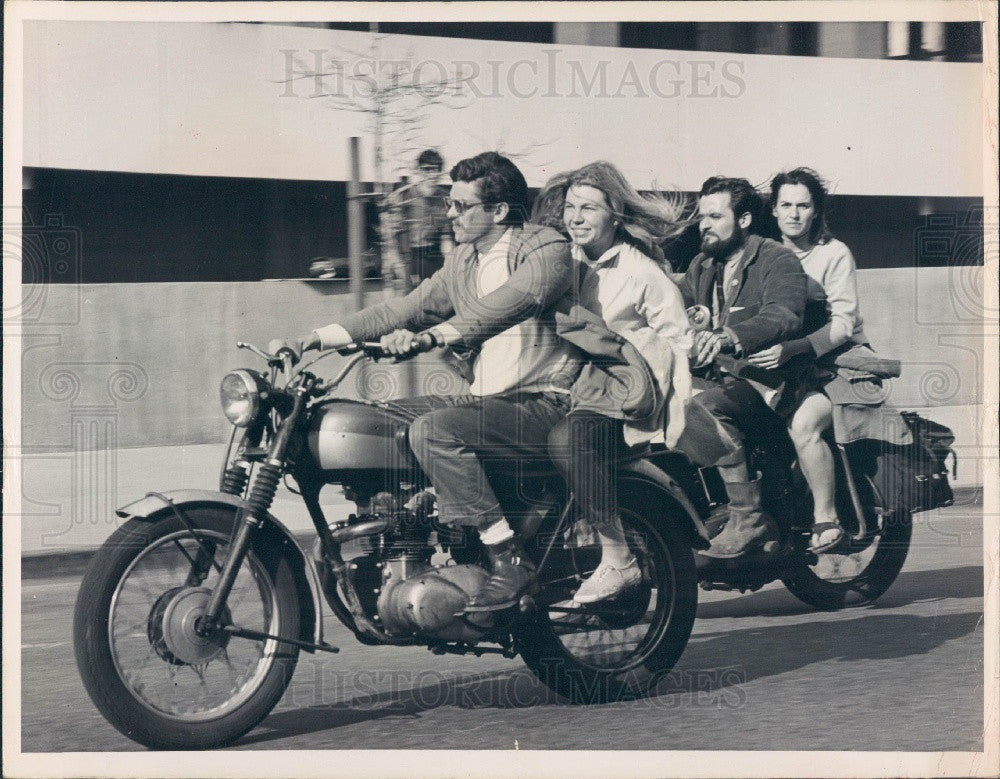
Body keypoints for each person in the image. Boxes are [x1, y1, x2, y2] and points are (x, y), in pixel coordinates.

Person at [287, 151, 582, 613]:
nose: (449, 214)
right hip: (488, 402)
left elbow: (507, 304)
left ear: (499, 211)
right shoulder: (465, 261)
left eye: (461, 207)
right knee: (380, 419)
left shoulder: (545, 249)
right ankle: (403, 528)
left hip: (545, 404)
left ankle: (508, 558)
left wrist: (432, 337)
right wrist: (319, 337)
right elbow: (404, 308)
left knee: (434, 431)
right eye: (451, 203)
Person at [531, 161, 694, 603]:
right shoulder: (562, 262)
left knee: (568, 442)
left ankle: (617, 556)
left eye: (588, 208)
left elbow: (679, 340)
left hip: (622, 397)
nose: (575, 218)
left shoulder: (641, 273)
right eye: (569, 207)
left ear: (615, 215)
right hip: (567, 386)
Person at [745, 167, 905, 552]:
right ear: (774, 208)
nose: (794, 214)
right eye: (786, 205)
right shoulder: (761, 252)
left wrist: (796, 348)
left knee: (803, 424)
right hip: (782, 360)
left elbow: (844, 323)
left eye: (803, 205)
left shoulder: (834, 253)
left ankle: (826, 519)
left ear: (816, 210)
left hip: (835, 361)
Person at [674, 177, 807, 559]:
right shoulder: (702, 265)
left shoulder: (776, 258)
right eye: (702, 217)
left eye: (716, 216)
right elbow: (677, 310)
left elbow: (785, 314)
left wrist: (733, 335)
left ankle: (747, 517)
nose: (705, 225)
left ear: (744, 219)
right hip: (716, 373)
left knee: (706, 408)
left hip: (765, 375)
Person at [379, 149, 454, 286]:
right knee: (412, 301)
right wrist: (397, 262)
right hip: (410, 256)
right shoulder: (405, 196)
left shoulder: (444, 198)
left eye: (435, 170)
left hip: (435, 255)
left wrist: (450, 261)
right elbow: (392, 233)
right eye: (426, 169)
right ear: (419, 171)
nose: (431, 174)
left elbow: (446, 236)